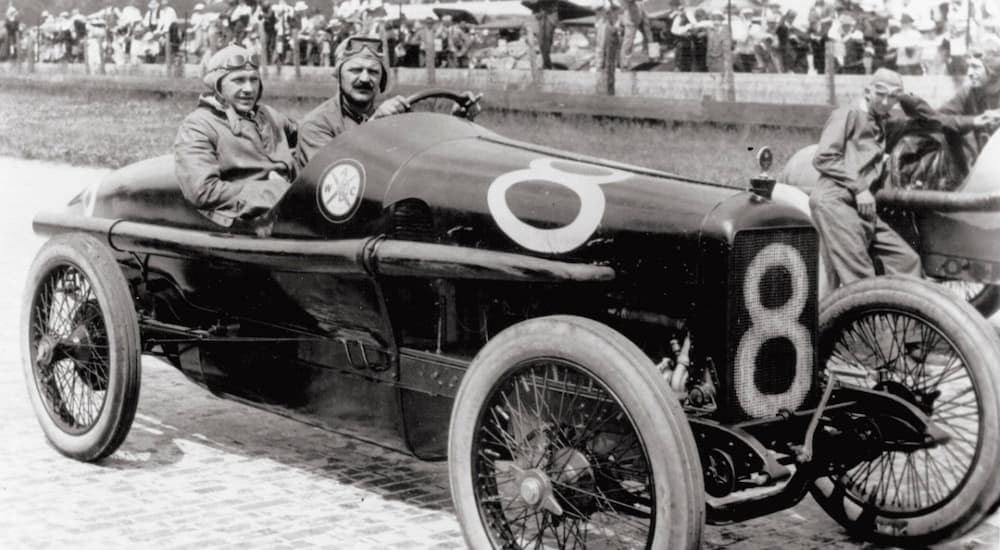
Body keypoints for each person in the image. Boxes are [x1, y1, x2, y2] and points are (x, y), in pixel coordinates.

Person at [809, 69, 931, 285]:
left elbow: (927, 119)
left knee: (906, 261)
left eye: (893, 96)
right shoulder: (847, 114)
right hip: (836, 200)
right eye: (880, 93)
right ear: (867, 91)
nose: (886, 101)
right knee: (861, 276)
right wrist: (860, 188)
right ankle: (862, 317)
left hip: (862, 205)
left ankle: (908, 315)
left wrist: (905, 99)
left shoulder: (880, 120)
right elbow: (824, 157)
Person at [294, 35, 480, 171]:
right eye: (355, 70)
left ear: (381, 81)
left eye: (373, 72)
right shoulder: (316, 125)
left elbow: (424, 157)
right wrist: (374, 124)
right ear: (339, 76)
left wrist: (456, 121)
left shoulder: (394, 119)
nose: (365, 78)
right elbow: (337, 178)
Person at [174, 44, 297, 227]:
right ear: (218, 86)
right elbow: (202, 191)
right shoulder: (198, 126)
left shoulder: (270, 115)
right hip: (247, 224)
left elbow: (307, 139)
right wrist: (276, 191)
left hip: (295, 214)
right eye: (238, 80)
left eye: (253, 80)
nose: (248, 89)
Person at [936, 45, 1000, 170]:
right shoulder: (969, 93)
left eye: (975, 67)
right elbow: (935, 118)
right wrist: (972, 121)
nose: (969, 73)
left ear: (994, 70)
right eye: (969, 66)